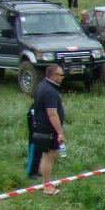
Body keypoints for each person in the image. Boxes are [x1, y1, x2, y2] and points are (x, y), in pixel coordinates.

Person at [33, 65, 67, 196]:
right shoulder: (50, 91)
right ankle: (47, 187)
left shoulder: (41, 86)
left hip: (41, 127)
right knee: (49, 156)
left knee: (45, 155)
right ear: (53, 76)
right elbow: (52, 113)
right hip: (48, 129)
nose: (62, 77)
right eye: (60, 75)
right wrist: (60, 132)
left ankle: (46, 182)